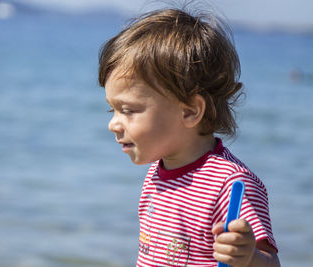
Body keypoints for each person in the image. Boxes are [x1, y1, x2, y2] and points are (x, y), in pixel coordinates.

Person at [98, 6, 280, 267]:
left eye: (127, 110)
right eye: (112, 109)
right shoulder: (156, 173)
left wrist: (249, 257)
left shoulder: (230, 184)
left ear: (190, 111)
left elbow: (271, 263)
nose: (113, 124)